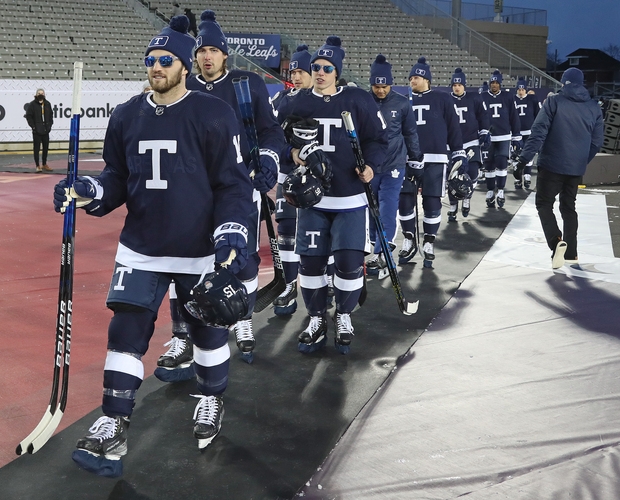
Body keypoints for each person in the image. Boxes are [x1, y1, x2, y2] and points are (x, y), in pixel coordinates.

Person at [54, 16, 253, 476]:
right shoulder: (126, 114)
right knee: (126, 333)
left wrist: (231, 236)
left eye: (165, 60)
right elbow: (117, 179)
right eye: (150, 60)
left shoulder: (212, 114)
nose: (156, 67)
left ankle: (209, 400)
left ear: (184, 65)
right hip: (141, 246)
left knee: (207, 332)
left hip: (199, 248)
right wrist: (89, 191)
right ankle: (113, 420)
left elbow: (233, 186)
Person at [181, 9, 284, 362]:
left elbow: (270, 130)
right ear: (194, 57)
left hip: (239, 185)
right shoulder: (185, 86)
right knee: (188, 257)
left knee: (241, 256)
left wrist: (268, 159)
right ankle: (184, 331)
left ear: (225, 53)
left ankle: (243, 319)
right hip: (193, 188)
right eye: (200, 51)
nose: (206, 56)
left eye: (212, 50)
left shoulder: (247, 83)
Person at [276, 35, 387, 354]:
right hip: (312, 201)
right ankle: (314, 318)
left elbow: (378, 141)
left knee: (349, 264)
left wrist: (371, 167)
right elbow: (275, 140)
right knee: (310, 265)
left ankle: (344, 316)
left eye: (327, 67)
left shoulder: (358, 100)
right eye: (316, 67)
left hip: (351, 200)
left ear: (336, 71)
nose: (321, 72)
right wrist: (294, 154)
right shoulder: (296, 102)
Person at [515, 68, 603, 269]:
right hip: (575, 168)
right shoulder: (593, 107)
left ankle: (556, 243)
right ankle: (571, 253)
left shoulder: (554, 102)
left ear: (564, 82)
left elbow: (538, 133)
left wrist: (523, 160)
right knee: (568, 207)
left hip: (551, 165)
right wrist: (581, 160)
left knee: (544, 204)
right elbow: (597, 142)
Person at [401, 57, 467, 268]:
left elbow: (453, 126)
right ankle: (409, 237)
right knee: (404, 201)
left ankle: (429, 241)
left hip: (436, 158)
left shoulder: (442, 99)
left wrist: (458, 151)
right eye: (411, 77)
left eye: (416, 76)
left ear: (426, 79)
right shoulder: (404, 100)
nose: (412, 80)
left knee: (432, 201)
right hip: (408, 159)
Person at [365, 54, 421, 273]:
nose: (380, 90)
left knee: (388, 207)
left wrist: (416, 159)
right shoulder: (363, 101)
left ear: (390, 83)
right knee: (372, 208)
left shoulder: (402, 103)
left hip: (394, 165)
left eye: (385, 86)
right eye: (376, 86)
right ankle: (374, 249)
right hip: (370, 166)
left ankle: (384, 251)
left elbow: (410, 133)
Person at [269, 44, 313, 316]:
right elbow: (270, 135)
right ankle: (288, 284)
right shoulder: (280, 100)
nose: (295, 76)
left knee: (321, 230)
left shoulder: (326, 99)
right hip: (288, 172)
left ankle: (328, 281)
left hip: (319, 176)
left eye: (301, 71)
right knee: (286, 229)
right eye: (292, 71)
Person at [447, 67, 490, 221]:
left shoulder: (475, 98)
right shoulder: (446, 99)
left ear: (464, 85)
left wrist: (484, 131)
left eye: (459, 85)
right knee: (452, 177)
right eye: (454, 85)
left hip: (471, 140)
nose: (457, 87)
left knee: (472, 172)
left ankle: (467, 197)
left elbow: (483, 116)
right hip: (452, 143)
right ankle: (453, 205)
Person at [479, 69, 521, 208]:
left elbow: (514, 117)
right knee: (489, 165)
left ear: (501, 84)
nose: (494, 85)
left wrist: (516, 136)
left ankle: (501, 190)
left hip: (504, 135)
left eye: (497, 82)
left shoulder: (508, 97)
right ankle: (491, 191)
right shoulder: (483, 96)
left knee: (502, 162)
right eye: (492, 82)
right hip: (488, 136)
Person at [512, 79, 540, 189]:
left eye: (523, 89)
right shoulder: (512, 100)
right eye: (519, 89)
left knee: (529, 153)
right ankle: (517, 178)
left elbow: (537, 114)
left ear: (526, 90)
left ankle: (527, 175)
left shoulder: (532, 99)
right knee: (516, 155)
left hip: (529, 131)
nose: (521, 91)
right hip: (516, 132)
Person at [25, 88, 53, 173]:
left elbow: (51, 115)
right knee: (36, 148)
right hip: (37, 130)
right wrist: (33, 127)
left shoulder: (47, 104)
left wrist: (50, 125)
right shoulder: (32, 105)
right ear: (36, 94)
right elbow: (28, 116)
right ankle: (37, 165)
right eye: (39, 93)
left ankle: (44, 164)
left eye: (42, 93)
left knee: (45, 148)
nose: (40, 94)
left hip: (46, 129)